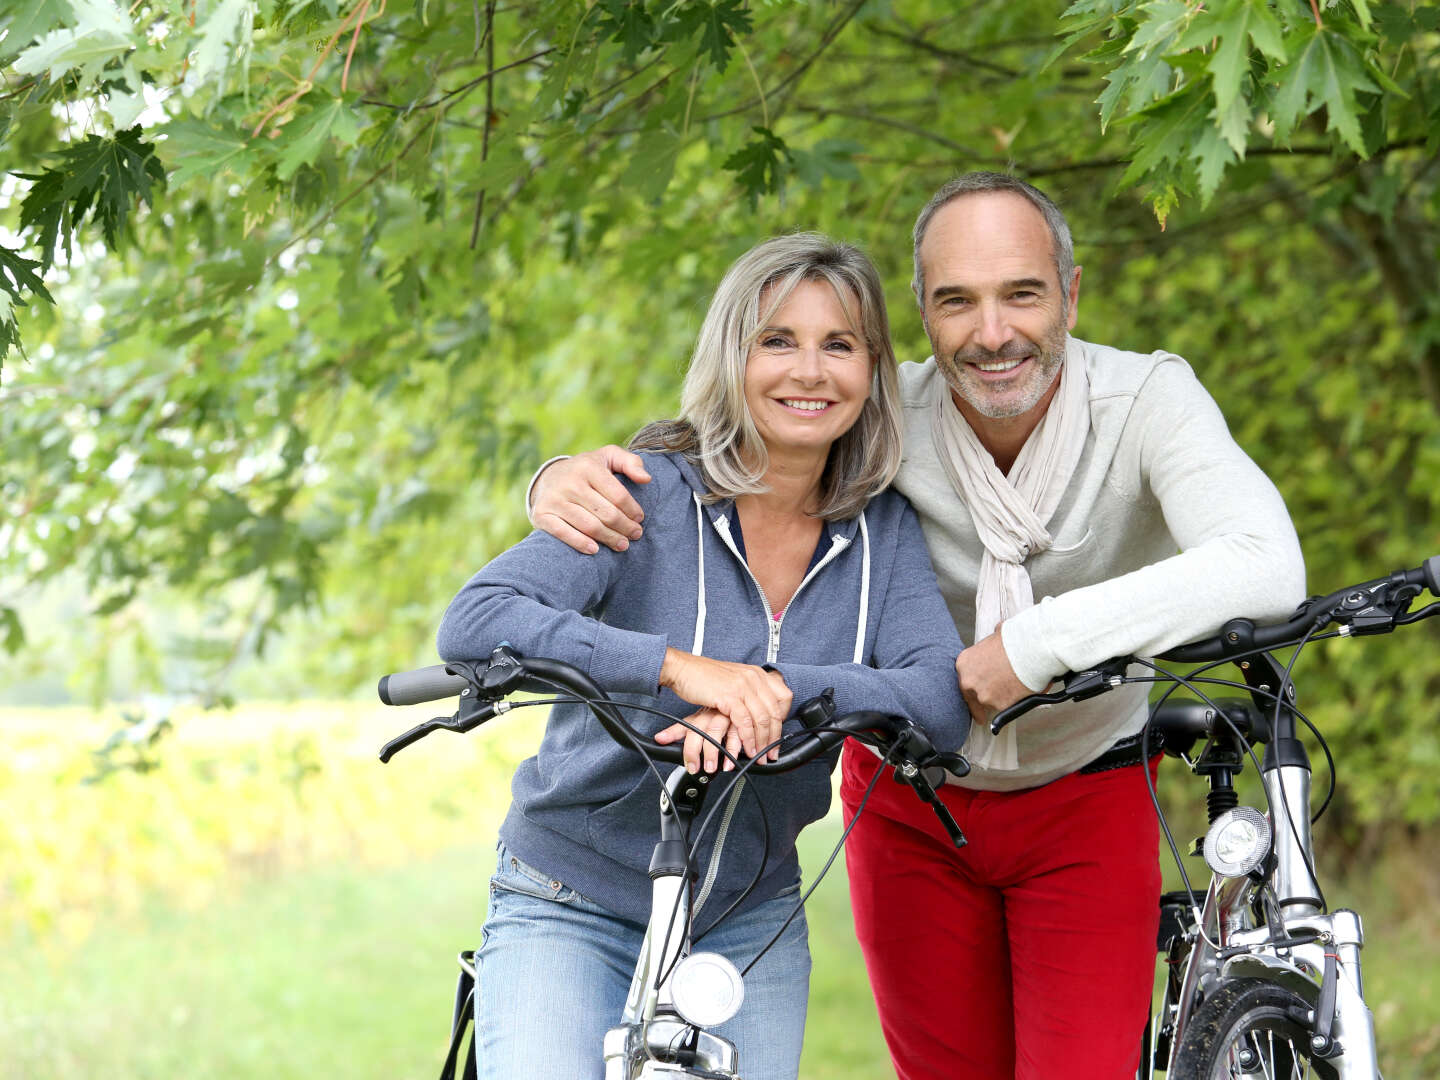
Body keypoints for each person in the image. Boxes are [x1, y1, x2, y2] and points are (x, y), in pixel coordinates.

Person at [525, 173, 1307, 1079]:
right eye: (956, 302)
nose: (993, 332)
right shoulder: (880, 412)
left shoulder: (1145, 403)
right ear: (922, 316)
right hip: (909, 801)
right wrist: (555, 483)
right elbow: (718, 459)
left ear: (1072, 292)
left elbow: (1265, 562)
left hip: (1086, 793)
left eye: (1022, 293)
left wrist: (1033, 646)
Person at [436, 232, 968, 1080]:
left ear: (872, 372)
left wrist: (774, 692)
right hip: (571, 897)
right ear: (733, 355)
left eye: (840, 345)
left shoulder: (884, 531)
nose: (810, 371)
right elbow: (478, 618)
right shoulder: (644, 493)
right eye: (777, 341)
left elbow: (938, 700)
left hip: (746, 918)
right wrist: (680, 669)